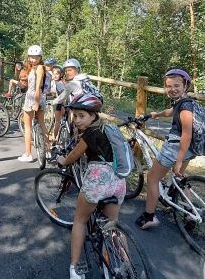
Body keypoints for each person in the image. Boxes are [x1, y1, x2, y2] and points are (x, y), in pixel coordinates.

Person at [57, 93, 126, 279]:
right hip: (118, 182)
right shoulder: (108, 128)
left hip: (98, 182)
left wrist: (63, 161)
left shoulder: (90, 134)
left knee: (79, 221)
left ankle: (75, 268)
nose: (77, 120)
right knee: (113, 227)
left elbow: (73, 156)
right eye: (75, 116)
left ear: (93, 116)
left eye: (82, 116)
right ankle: (123, 264)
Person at [135, 69, 196, 230]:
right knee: (178, 179)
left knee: (153, 179)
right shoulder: (183, 102)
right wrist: (156, 114)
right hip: (189, 150)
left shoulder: (185, 107)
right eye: (169, 86)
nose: (172, 89)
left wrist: (177, 161)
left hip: (177, 147)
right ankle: (189, 212)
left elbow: (187, 135)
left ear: (186, 86)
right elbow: (172, 111)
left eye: (177, 85)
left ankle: (149, 217)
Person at [18, 45, 51, 162]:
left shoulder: (40, 68)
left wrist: (36, 102)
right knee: (41, 124)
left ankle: (28, 155)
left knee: (28, 126)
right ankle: (47, 151)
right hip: (35, 97)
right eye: (31, 57)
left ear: (40, 57)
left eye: (35, 58)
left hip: (34, 98)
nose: (33, 60)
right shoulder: (33, 68)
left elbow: (37, 87)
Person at [50, 64, 66, 144]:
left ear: (61, 75)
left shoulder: (59, 84)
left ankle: (53, 140)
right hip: (63, 103)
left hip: (61, 103)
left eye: (57, 74)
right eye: (54, 74)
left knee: (57, 122)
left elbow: (64, 95)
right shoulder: (61, 82)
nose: (55, 76)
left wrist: (63, 105)